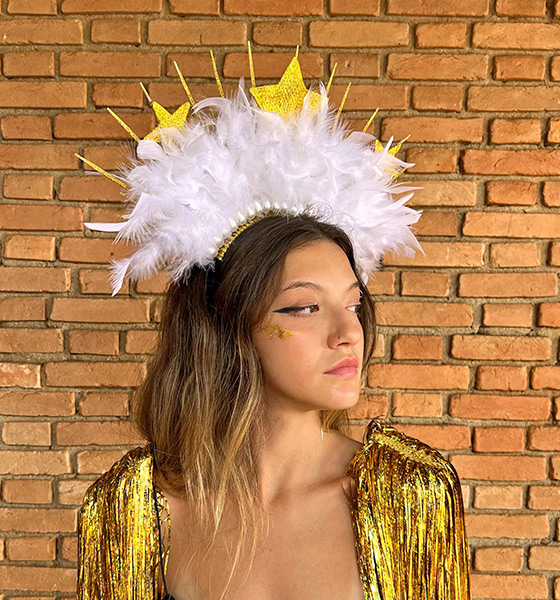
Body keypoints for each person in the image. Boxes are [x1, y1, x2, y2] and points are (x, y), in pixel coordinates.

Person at [75, 45, 471, 600]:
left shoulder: (407, 496)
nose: (348, 334)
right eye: (304, 307)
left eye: (353, 304)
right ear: (228, 326)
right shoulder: (131, 508)